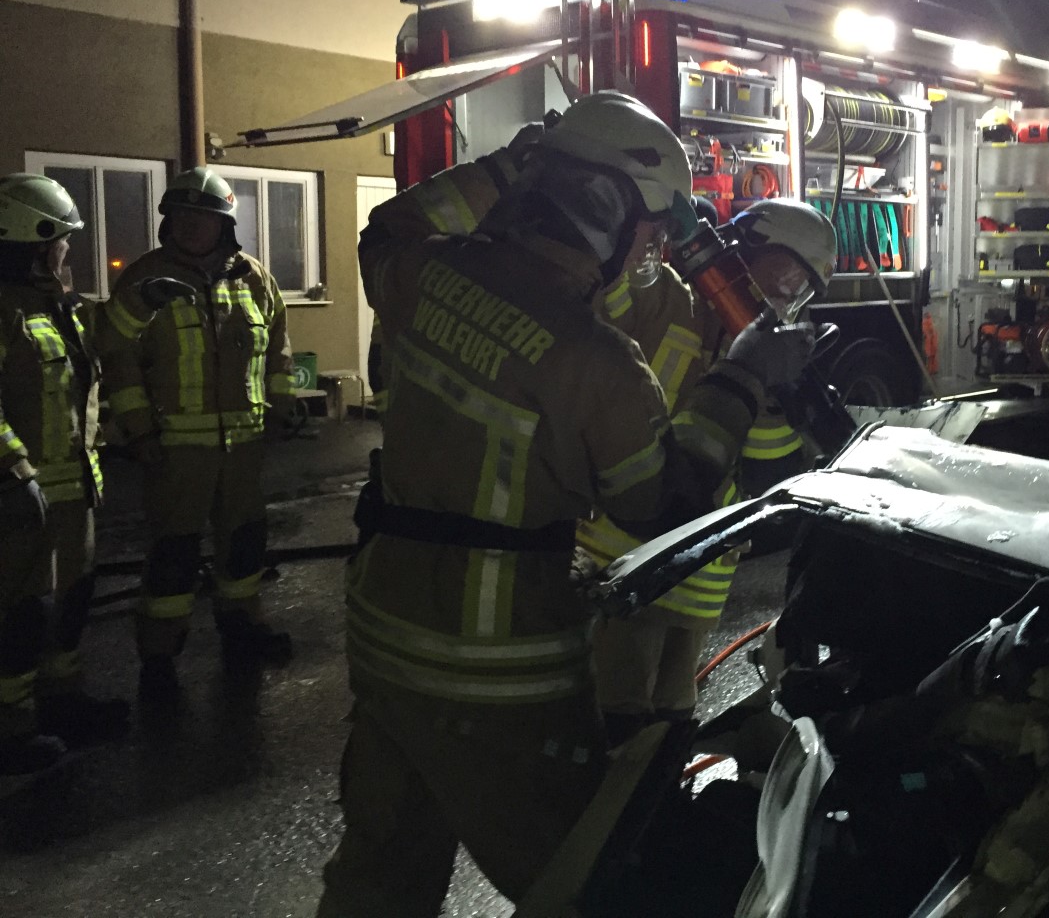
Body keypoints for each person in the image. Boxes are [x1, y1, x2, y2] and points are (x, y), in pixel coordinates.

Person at [317, 92, 815, 916]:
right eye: (649, 231)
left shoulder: (426, 273)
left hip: (385, 636)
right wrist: (743, 376)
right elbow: (663, 503)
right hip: (498, 666)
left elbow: (390, 226)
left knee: (381, 874)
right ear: (607, 210)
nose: (653, 252)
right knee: (585, 881)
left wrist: (511, 162)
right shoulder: (598, 361)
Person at [584, 199, 837, 746]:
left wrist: (778, 392)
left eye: (804, 289)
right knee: (616, 717)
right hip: (625, 557)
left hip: (700, 574)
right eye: (786, 275)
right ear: (743, 254)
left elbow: (767, 475)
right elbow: (612, 290)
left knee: (671, 721)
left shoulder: (769, 357)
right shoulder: (668, 299)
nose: (789, 295)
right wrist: (649, 222)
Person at [97, 167, 295, 704]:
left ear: (224, 223)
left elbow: (278, 345)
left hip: (245, 447)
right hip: (175, 450)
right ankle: (159, 658)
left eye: (201, 216)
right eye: (179, 215)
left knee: (245, 543)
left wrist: (282, 406)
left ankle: (242, 628)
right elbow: (117, 357)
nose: (189, 225)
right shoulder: (144, 279)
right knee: (174, 553)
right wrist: (139, 432)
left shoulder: (254, 278)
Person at [0, 175, 131, 772]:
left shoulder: (56, 307)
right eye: (61, 241)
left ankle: (61, 703)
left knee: (70, 603)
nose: (67, 252)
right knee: (22, 613)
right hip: (20, 498)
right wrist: (13, 469)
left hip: (73, 491)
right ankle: (10, 727)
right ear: (33, 243)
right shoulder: (6, 311)